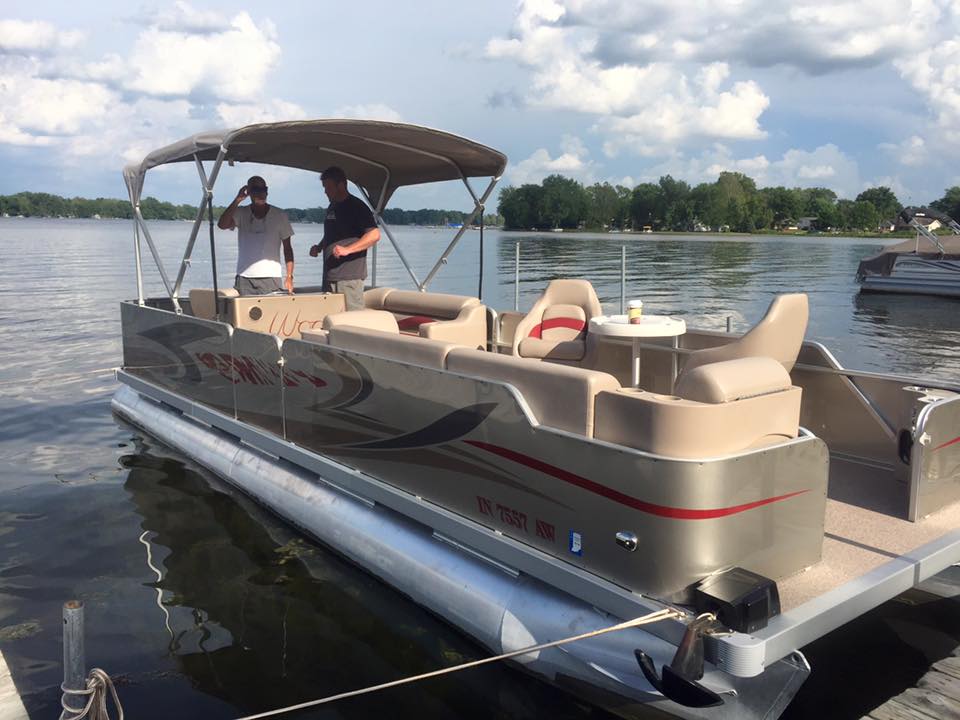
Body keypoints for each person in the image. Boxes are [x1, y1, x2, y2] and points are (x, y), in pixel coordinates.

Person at [308, 166, 380, 310]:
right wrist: (320, 246)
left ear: (341, 185)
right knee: (330, 320)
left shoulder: (357, 207)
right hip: (330, 276)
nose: (325, 191)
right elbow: (333, 234)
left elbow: (374, 235)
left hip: (349, 278)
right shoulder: (333, 206)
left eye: (328, 187)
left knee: (352, 321)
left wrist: (348, 250)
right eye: (324, 187)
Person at [218, 175, 295, 295]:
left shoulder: (280, 215)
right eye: (256, 190)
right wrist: (237, 200)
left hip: (271, 278)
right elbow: (222, 225)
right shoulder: (241, 213)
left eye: (263, 190)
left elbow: (288, 249)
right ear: (249, 192)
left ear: (267, 192)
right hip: (244, 278)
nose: (260, 194)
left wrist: (289, 276)